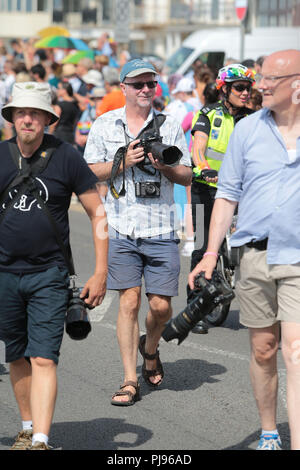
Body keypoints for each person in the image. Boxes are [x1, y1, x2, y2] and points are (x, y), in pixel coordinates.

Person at [188, 49, 300, 450]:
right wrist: (210, 254)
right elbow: (227, 195)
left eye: (269, 79)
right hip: (251, 252)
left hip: (298, 257)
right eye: (254, 81)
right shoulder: (244, 128)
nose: (258, 86)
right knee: (264, 349)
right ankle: (269, 431)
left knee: (295, 351)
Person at [0, 81, 108, 450]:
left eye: (35, 113)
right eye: (21, 112)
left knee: (43, 356)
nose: (27, 119)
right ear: (12, 117)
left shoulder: (66, 157)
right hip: (4, 274)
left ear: (47, 119)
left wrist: (101, 271)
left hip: (50, 274)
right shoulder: (0, 156)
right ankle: (28, 428)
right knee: (16, 355)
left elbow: (98, 213)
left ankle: (41, 441)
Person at [84, 58, 192, 405]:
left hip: (160, 226)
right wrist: (123, 162)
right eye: (138, 85)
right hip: (120, 226)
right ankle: (130, 379)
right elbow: (88, 172)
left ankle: (150, 347)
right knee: (128, 302)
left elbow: (187, 174)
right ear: (124, 88)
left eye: (150, 84)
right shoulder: (104, 124)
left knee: (161, 308)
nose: (146, 90)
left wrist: (167, 168)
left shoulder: (170, 124)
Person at [189, 63, 255, 333]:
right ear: (224, 89)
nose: (245, 92)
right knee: (203, 245)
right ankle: (195, 310)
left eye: (248, 88)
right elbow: (198, 147)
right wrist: (203, 165)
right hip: (207, 186)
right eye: (239, 87)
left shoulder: (253, 119)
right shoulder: (208, 114)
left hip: (239, 190)